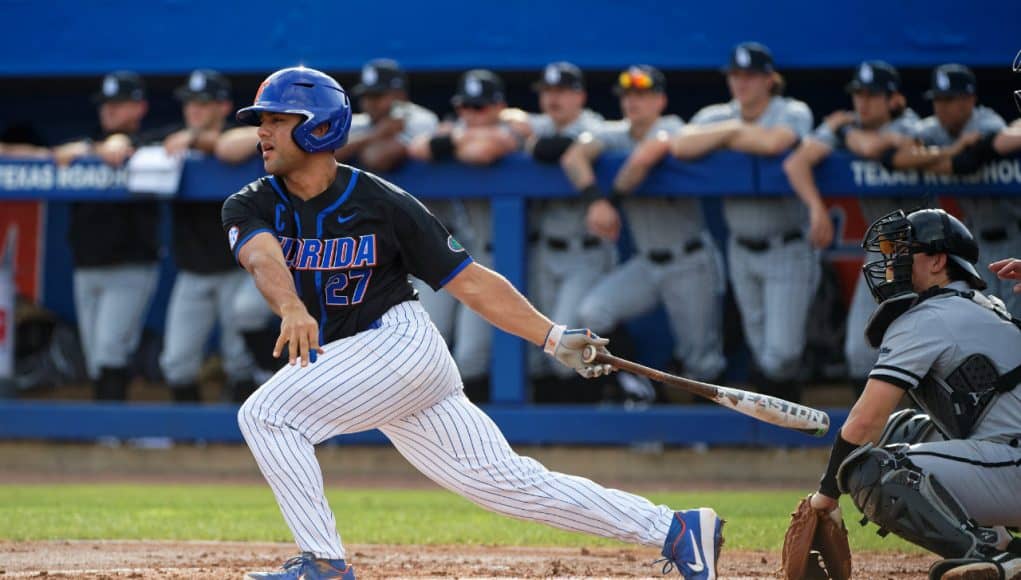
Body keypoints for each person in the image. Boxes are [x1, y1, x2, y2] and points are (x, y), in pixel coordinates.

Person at [225, 66, 724, 580]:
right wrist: (289, 306)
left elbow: (472, 282)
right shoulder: (250, 202)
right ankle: (677, 530)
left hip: (398, 344)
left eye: (278, 119)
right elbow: (264, 259)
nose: (262, 131)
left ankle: (324, 564)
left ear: (320, 127)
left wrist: (552, 337)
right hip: (360, 362)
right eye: (262, 120)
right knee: (509, 484)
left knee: (268, 413)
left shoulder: (383, 202)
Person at [806, 209, 1021, 580]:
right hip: (1008, 458)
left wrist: (824, 497)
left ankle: (987, 556)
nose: (891, 264)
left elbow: (864, 423)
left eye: (904, 252)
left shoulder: (928, 315)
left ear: (938, 261)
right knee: (905, 429)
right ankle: (1007, 547)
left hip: (1013, 463)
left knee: (870, 469)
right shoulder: (982, 305)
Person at [562, 65, 725, 402]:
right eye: (627, 95)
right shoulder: (615, 132)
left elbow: (646, 155)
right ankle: (637, 384)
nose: (633, 102)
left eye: (642, 94)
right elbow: (574, 155)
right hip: (646, 264)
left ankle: (708, 438)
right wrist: (595, 202)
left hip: (690, 261)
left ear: (660, 99)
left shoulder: (672, 127)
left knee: (702, 362)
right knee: (593, 311)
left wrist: (611, 202)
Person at [666, 42, 816, 402]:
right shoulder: (720, 115)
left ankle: (794, 411)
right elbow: (680, 146)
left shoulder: (791, 110)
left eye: (750, 76)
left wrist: (729, 136)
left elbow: (774, 143)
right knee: (761, 348)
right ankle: (777, 435)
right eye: (736, 75)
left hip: (787, 243)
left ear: (769, 79)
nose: (741, 83)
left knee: (781, 355)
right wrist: (732, 130)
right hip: (741, 246)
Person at [782, 60, 925, 392]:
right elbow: (796, 162)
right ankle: (874, 435)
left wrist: (843, 130)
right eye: (858, 94)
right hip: (883, 252)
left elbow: (873, 148)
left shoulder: (912, 124)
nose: (863, 102)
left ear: (894, 99)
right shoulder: (849, 129)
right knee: (859, 354)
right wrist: (817, 209)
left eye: (872, 95)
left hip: (928, 253)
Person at [407, 69, 521, 401]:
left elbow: (483, 151)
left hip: (511, 256)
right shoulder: (462, 129)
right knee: (430, 339)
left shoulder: (515, 127)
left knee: (473, 354)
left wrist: (452, 139)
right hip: (465, 253)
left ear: (499, 106)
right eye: (465, 107)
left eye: (480, 108)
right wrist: (456, 137)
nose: (470, 115)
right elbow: (418, 149)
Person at [51, 71, 161, 400]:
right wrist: (88, 148)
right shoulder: (84, 146)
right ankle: (109, 428)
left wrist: (116, 145)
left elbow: (133, 146)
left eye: (120, 103)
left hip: (131, 265)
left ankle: (113, 430)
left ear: (139, 107)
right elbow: (61, 155)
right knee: (96, 356)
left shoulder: (151, 146)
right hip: (87, 265)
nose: (110, 110)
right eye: (106, 104)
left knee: (110, 350)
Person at [503, 61, 610, 398]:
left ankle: (612, 393)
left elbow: (556, 150)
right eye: (547, 91)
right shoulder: (541, 123)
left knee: (566, 338)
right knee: (537, 343)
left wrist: (532, 141)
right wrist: (520, 125)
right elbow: (506, 116)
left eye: (562, 91)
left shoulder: (595, 125)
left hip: (586, 249)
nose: (553, 99)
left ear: (580, 95)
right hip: (545, 252)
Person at [158, 69, 257, 403]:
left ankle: (244, 436)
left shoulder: (240, 136)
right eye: (190, 103)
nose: (195, 109)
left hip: (236, 269)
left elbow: (247, 142)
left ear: (223, 106)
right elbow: (126, 146)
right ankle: (187, 442)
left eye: (204, 103)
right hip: (192, 270)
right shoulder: (174, 138)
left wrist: (199, 140)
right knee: (176, 362)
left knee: (240, 362)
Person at [914, 65, 1016, 318]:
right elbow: (905, 154)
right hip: (977, 243)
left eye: (949, 99)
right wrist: (956, 147)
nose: (941, 107)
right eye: (937, 100)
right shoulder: (933, 129)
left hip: (1014, 236)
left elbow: (969, 162)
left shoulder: (986, 120)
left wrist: (937, 159)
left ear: (970, 99)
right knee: (986, 320)